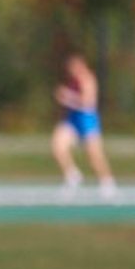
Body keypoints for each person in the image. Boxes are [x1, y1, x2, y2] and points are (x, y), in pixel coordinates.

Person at [51, 53, 116, 199]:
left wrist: (67, 97)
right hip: (73, 118)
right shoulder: (71, 81)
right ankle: (72, 174)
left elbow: (87, 103)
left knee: (94, 155)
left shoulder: (88, 80)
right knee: (58, 145)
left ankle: (107, 181)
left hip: (87, 119)